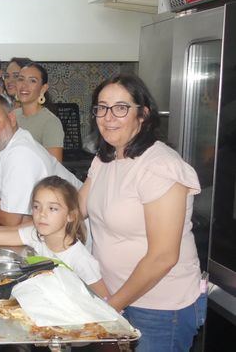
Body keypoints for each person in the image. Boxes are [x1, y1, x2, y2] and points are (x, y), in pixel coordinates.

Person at [79, 74, 205, 351]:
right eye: (101, 107)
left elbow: (162, 257)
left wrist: (110, 308)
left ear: (143, 115)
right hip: (114, 295)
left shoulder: (160, 166)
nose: (108, 117)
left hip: (159, 308)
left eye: (121, 108)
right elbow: (75, 212)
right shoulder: (106, 157)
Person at [0, 94, 80, 226]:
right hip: (42, 228)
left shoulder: (21, 153)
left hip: (74, 230)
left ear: (12, 119)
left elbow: (10, 219)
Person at [15, 62, 64, 162]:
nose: (24, 85)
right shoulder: (11, 116)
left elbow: (54, 168)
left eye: (32, 81)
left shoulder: (51, 122)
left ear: (43, 88)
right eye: (21, 79)